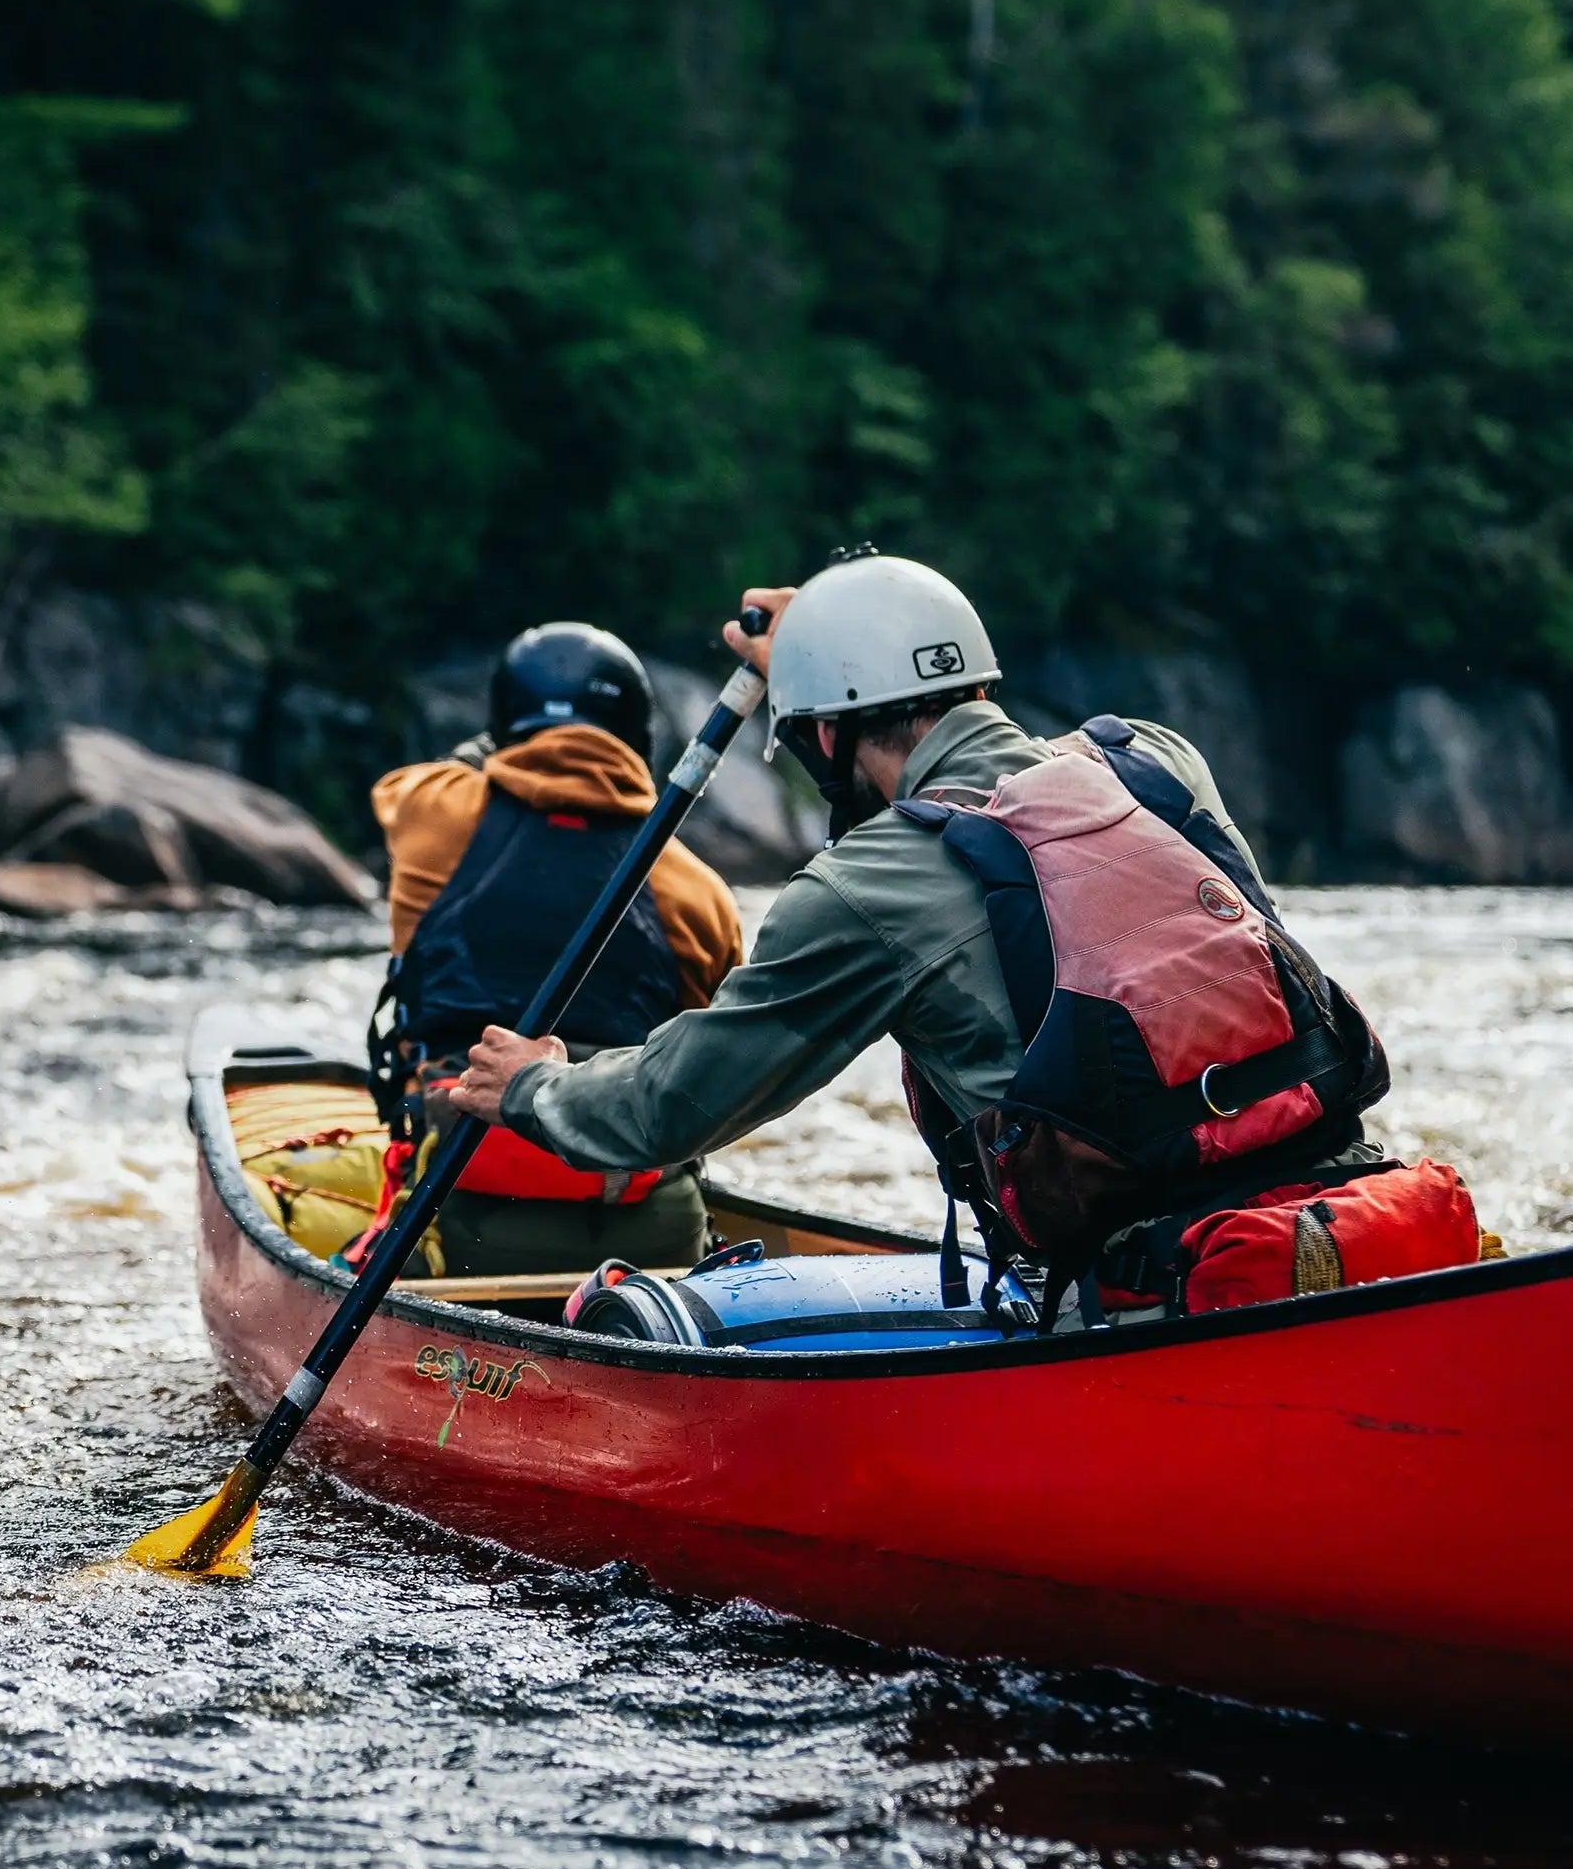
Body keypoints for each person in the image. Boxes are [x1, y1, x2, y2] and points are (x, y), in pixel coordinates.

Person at [448, 556, 1429, 1321]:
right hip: (1344, 1205)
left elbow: (663, 1112)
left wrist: (537, 1082)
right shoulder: (1154, 764)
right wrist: (832, 643)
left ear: (824, 737)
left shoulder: (867, 884)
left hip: (1143, 1289)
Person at [368, 621, 742, 1274]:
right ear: (639, 739)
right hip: (647, 1234)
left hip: (455, 1212)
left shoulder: (432, 810)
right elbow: (708, 1069)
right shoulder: (698, 890)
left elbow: (399, 789)